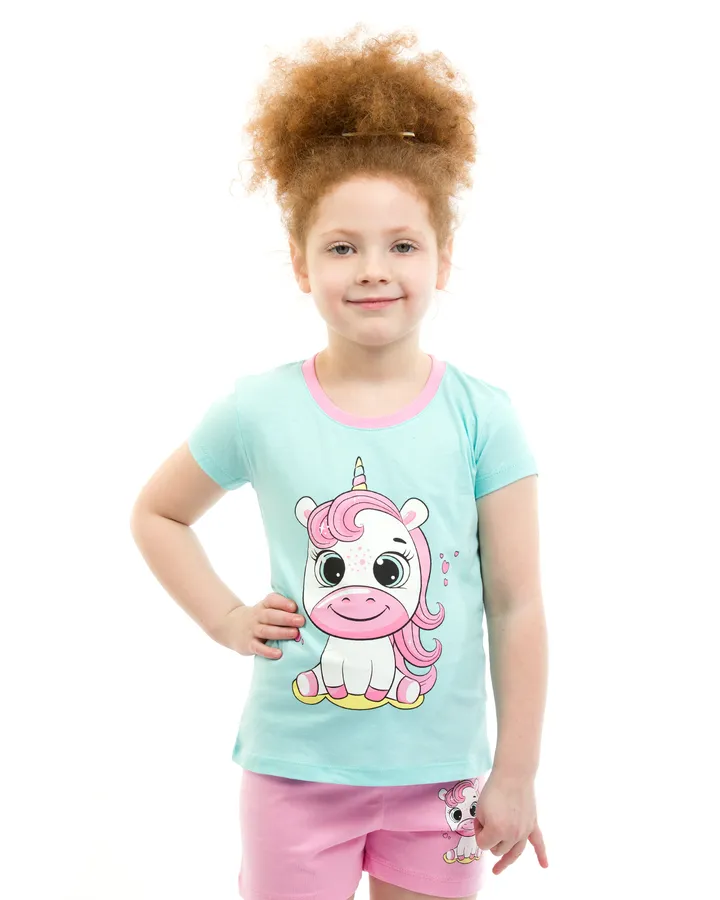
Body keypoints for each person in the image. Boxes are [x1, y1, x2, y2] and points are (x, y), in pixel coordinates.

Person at [130, 24, 549, 900]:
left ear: (443, 258)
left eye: (403, 245)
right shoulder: (259, 408)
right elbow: (158, 514)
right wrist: (223, 618)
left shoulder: (486, 418)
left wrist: (514, 774)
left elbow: (516, 605)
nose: (372, 270)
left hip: (443, 782)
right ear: (301, 263)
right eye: (342, 246)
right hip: (293, 776)